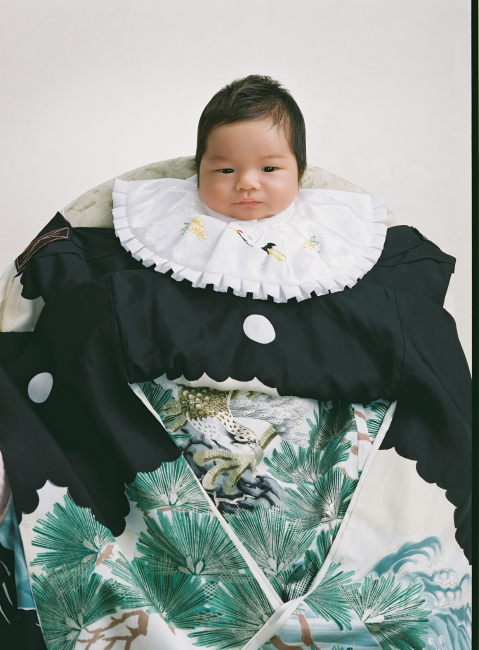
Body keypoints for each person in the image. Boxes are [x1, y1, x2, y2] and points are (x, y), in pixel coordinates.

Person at [0, 76, 471, 650]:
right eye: (223, 169)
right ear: (197, 169)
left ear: (300, 171)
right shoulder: (145, 232)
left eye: (269, 168)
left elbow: (409, 324)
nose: (246, 183)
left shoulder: (346, 243)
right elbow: (82, 313)